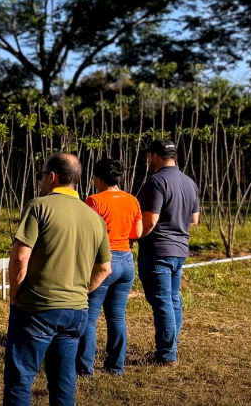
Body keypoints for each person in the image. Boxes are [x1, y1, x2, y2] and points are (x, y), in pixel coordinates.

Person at [3, 152, 112, 406]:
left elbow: (19, 258)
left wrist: (15, 296)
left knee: (20, 380)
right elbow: (105, 268)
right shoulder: (95, 218)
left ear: (52, 177)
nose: (41, 180)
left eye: (41, 175)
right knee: (63, 383)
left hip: (37, 308)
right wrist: (81, 292)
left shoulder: (39, 206)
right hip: (76, 312)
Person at [137, 139, 200, 366]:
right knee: (173, 299)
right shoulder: (190, 182)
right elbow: (194, 220)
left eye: (148, 156)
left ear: (155, 156)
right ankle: (171, 345)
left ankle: (166, 354)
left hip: (157, 251)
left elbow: (150, 221)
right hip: (180, 250)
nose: (148, 160)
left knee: (163, 302)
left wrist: (133, 237)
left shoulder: (156, 182)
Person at [77, 158, 142, 376]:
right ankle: (116, 366)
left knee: (89, 318)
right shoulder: (132, 200)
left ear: (98, 178)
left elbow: (87, 233)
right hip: (126, 261)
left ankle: (84, 368)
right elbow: (137, 233)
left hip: (103, 261)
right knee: (117, 317)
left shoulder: (94, 201)